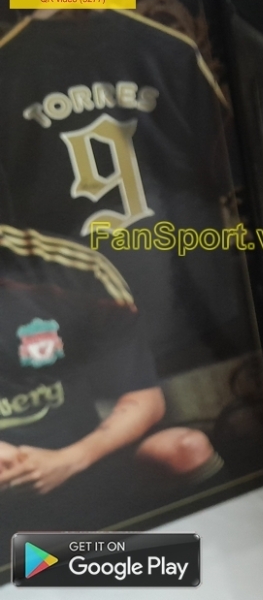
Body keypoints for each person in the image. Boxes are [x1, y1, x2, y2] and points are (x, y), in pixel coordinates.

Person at [0, 224, 217, 550]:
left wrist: (68, 460)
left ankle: (220, 562)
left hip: (83, 458)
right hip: (8, 499)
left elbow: (145, 398)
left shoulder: (71, 270)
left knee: (187, 448)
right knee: (42, 551)